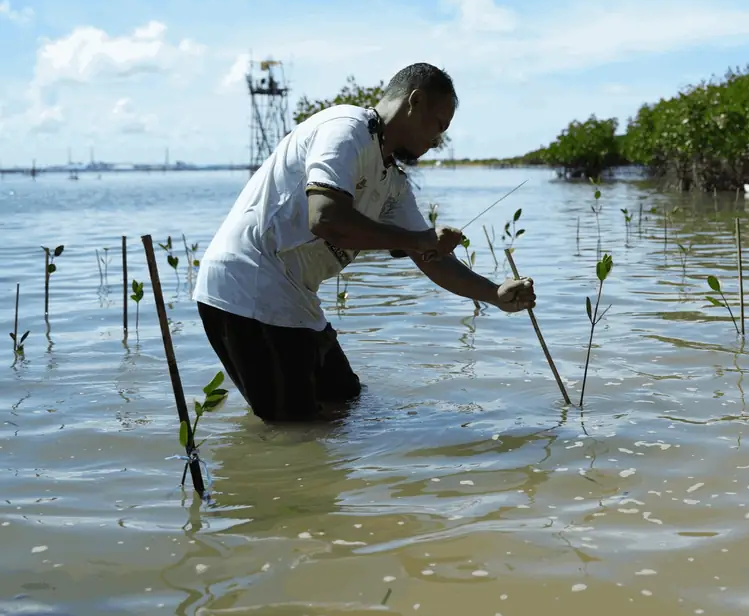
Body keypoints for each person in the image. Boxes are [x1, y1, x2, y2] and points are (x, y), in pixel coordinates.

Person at [192, 63, 537, 423]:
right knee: (297, 431)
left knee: (346, 401)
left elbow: (430, 257)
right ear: (414, 102)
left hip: (293, 296)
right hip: (248, 287)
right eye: (438, 126)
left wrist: (494, 293)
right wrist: (417, 239)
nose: (437, 142)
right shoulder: (346, 129)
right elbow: (325, 218)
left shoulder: (393, 181)